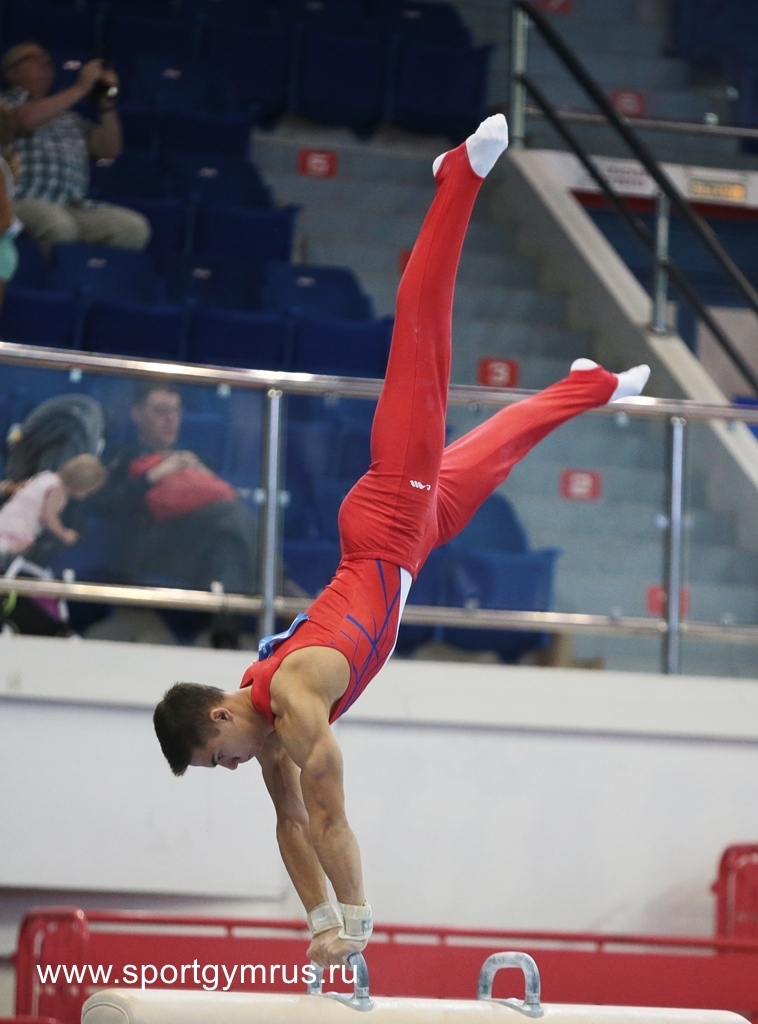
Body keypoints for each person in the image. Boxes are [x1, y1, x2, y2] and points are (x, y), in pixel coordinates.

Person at [153, 115, 651, 967]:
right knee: (495, 453)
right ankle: (587, 386)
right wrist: (318, 923)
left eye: (216, 757)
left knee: (424, 334)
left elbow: (331, 818)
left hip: (384, 521)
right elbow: (290, 827)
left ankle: (458, 176)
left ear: (219, 716)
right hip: (404, 549)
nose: (230, 767)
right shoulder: (266, 735)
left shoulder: (294, 695)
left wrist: (355, 925)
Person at [95, 383, 258, 648]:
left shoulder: (194, 458)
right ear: (137, 414)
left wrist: (202, 474)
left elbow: (222, 498)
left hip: (198, 550)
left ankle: (230, 626)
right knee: (234, 518)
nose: (170, 420)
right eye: (160, 411)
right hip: (144, 550)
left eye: (176, 411)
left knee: (233, 525)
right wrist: (155, 475)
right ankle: (275, 592)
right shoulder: (118, 457)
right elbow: (108, 507)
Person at [0, 41, 150, 255]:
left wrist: (106, 104)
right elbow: (24, 120)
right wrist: (81, 87)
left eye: (47, 58)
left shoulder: (69, 117)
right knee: (58, 225)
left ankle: (95, 273)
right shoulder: (5, 104)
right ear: (13, 73)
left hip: (72, 204)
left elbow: (109, 149)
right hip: (22, 199)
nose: (45, 62)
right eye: (33, 58)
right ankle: (51, 275)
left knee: (133, 228)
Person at [0, 453, 106, 561]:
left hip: (7, 517)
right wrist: (63, 533)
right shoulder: (58, 490)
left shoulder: (47, 476)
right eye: (88, 491)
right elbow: (48, 516)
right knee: (17, 548)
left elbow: (23, 489)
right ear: (79, 486)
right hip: (19, 527)